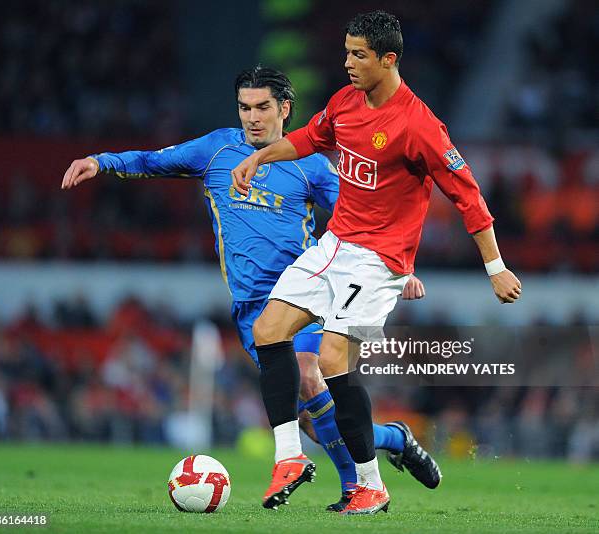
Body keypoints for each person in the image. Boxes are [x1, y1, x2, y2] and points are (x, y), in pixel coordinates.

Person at [61, 66, 433, 512]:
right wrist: (101, 161)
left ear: (284, 110)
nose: (252, 117)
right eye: (244, 107)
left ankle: (356, 489)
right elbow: (152, 160)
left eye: (262, 107)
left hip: (310, 298)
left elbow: (360, 220)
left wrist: (399, 268)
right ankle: (394, 438)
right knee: (319, 420)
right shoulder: (215, 150)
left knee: (310, 371)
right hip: (252, 309)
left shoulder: (310, 164)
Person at [232, 11, 522, 515]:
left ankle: (370, 486)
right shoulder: (346, 102)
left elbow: (467, 194)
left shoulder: (419, 124)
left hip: (379, 260)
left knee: (330, 361)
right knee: (269, 329)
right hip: (335, 243)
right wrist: (260, 158)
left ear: (388, 59)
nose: (347, 63)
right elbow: (308, 138)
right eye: (346, 52)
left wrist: (495, 267)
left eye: (358, 55)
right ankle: (290, 458)